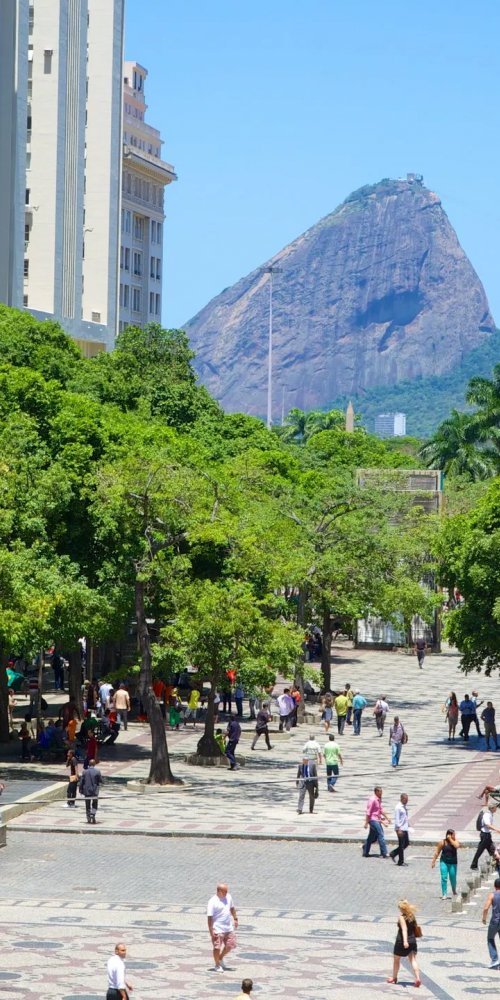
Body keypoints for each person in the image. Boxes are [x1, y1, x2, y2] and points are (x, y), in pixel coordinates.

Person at [386, 899, 421, 987]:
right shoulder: (412, 916)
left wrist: (405, 941)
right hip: (413, 940)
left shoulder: (401, 917)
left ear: (401, 909)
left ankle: (394, 977)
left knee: (396, 960)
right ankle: (418, 978)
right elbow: (415, 927)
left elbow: (404, 929)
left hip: (401, 941)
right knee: (413, 960)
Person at [207, 882, 238, 973]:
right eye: (224, 891)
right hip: (217, 928)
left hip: (228, 927)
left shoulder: (228, 897)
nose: (226, 893)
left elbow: (232, 908)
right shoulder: (212, 901)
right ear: (219, 891)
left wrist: (235, 918)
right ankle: (217, 965)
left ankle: (220, 958)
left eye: (227, 891)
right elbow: (209, 918)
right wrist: (211, 930)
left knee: (230, 945)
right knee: (217, 947)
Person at [431, 829, 460, 899]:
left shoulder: (455, 841)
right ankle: (444, 894)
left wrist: (450, 839)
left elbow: (457, 846)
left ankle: (454, 889)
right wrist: (433, 861)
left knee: (453, 878)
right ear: (449, 834)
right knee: (444, 877)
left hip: (453, 863)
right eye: (453, 834)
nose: (455, 836)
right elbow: (437, 852)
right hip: (444, 862)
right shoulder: (442, 842)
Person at [363, 786, 390, 858]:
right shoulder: (372, 800)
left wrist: (387, 818)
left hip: (377, 819)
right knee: (380, 834)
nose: (381, 793)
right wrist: (366, 823)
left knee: (371, 836)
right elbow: (368, 812)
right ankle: (384, 853)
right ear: (376, 792)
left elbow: (380, 810)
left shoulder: (378, 799)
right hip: (372, 820)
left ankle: (365, 851)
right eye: (380, 792)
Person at [471, 803, 500, 869]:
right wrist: (497, 829)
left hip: (487, 835)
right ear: (492, 808)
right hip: (485, 835)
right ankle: (473, 865)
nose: (496, 809)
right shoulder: (487, 815)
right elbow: (487, 824)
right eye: (495, 807)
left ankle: (497, 862)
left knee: (492, 849)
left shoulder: (490, 814)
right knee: (480, 850)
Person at [482, 877, 500, 968]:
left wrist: (484, 919)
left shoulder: (492, 895)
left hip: (495, 921)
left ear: (494, 886)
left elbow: (486, 908)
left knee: (490, 938)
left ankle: (494, 959)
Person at [78, 757, 102, 824]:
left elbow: (81, 782)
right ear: (94, 764)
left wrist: (80, 789)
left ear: (89, 764)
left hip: (87, 791)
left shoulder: (85, 772)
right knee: (95, 804)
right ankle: (93, 814)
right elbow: (101, 780)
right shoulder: (97, 771)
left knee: (87, 805)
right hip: (95, 791)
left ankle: (88, 819)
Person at [389, 793, 410, 866]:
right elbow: (397, 819)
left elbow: (404, 817)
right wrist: (399, 829)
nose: (407, 801)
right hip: (400, 829)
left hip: (405, 828)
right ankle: (400, 861)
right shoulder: (398, 807)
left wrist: (408, 825)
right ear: (402, 799)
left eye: (407, 800)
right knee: (401, 845)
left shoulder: (403, 806)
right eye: (406, 799)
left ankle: (393, 853)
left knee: (406, 843)